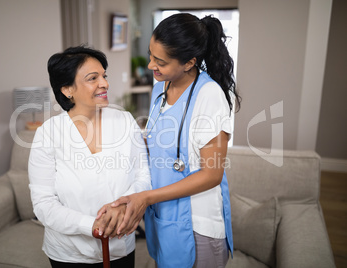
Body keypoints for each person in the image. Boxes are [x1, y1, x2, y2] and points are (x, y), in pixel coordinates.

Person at [98, 13, 241, 268]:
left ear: (189, 63)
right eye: (151, 55)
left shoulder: (209, 96)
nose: (151, 65)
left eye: (160, 61)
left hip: (198, 223)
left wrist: (147, 197)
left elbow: (212, 175)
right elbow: (157, 144)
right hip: (163, 216)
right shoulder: (160, 87)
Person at [28, 45, 151, 267]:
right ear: (67, 89)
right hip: (68, 254)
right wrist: (93, 225)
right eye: (93, 78)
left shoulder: (124, 121)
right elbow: (44, 203)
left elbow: (143, 174)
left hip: (120, 247)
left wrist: (126, 205)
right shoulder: (48, 134)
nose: (104, 83)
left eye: (104, 76)